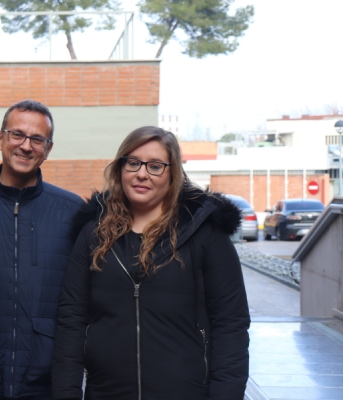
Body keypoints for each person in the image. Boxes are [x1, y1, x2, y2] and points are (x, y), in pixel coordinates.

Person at [52, 126, 250, 400]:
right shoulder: (93, 233)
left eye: (155, 166)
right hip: (106, 393)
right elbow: (71, 320)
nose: (142, 173)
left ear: (173, 173)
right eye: (133, 163)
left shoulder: (205, 233)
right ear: (121, 168)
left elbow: (231, 323)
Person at [0, 100, 84, 400]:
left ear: (48, 148)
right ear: (0, 138)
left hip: (45, 385)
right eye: (17, 135)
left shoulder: (72, 211)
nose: (26, 146)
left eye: (37, 139)